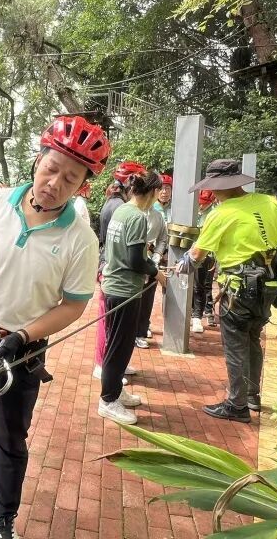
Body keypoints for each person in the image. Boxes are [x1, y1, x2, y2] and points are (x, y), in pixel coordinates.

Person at [0, 115, 108, 539]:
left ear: (83, 185)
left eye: (71, 178)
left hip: (22, 347)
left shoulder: (80, 238)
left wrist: (24, 335)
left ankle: (2, 516)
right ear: (38, 160)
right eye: (51, 168)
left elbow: (74, 305)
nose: (55, 183)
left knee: (11, 437)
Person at [178, 159, 277, 423]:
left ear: (221, 187)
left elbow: (196, 256)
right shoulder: (269, 203)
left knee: (235, 345)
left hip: (238, 288)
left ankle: (237, 405)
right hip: (267, 284)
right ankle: (252, 397)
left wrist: (181, 266)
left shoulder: (221, 214)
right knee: (253, 339)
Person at [99, 170, 166, 425]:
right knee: (119, 347)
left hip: (114, 286)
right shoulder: (137, 217)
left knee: (118, 344)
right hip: (125, 289)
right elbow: (135, 260)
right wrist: (157, 273)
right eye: (159, 191)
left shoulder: (122, 210)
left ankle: (115, 390)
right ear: (153, 192)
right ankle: (108, 400)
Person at [93, 161, 146, 381]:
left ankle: (113, 364)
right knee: (109, 323)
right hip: (113, 269)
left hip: (107, 264)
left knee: (110, 322)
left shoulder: (113, 203)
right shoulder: (121, 208)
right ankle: (104, 365)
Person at [135, 177, 168, 349]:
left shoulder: (157, 216)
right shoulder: (134, 212)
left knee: (147, 299)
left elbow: (163, 238)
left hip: (151, 261)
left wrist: (156, 255)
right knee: (134, 298)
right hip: (135, 261)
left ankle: (140, 332)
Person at [191, 190, 217, 333]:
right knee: (187, 284)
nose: (201, 206)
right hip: (190, 251)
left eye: (204, 204)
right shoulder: (192, 211)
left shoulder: (214, 214)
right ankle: (190, 312)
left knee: (200, 285)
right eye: (199, 203)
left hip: (206, 254)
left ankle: (198, 316)